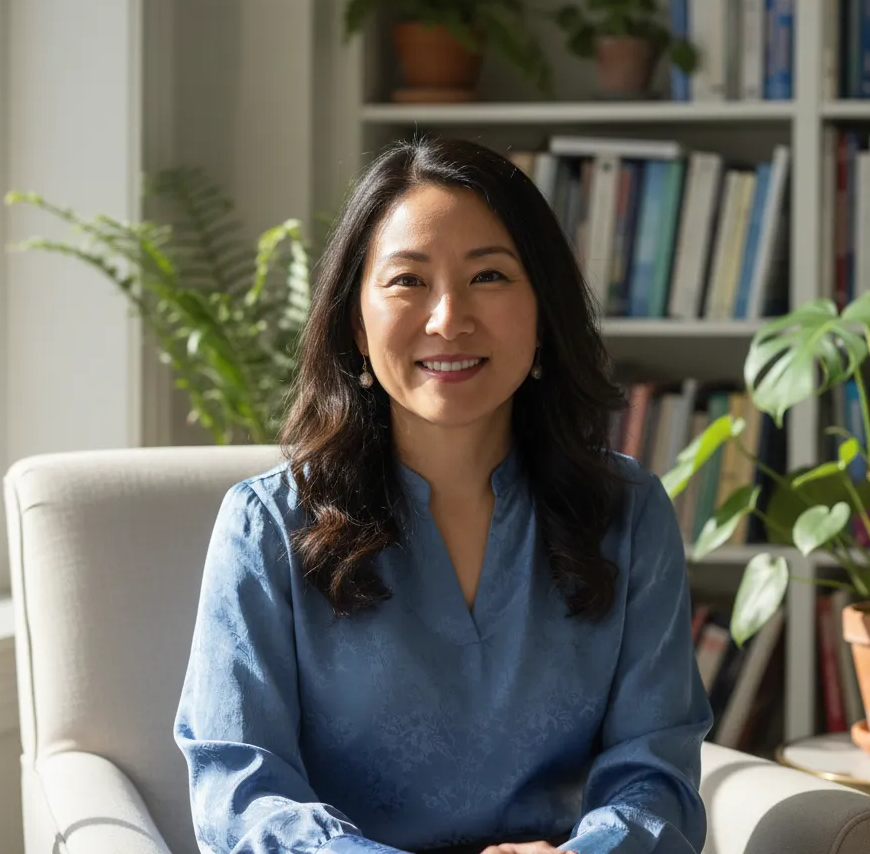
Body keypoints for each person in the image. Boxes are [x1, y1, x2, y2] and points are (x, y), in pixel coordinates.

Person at [174, 136, 713, 854]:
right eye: (407, 281)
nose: (448, 318)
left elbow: (657, 772)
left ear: (543, 312)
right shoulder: (266, 525)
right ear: (355, 326)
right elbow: (237, 790)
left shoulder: (629, 512)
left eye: (489, 276)